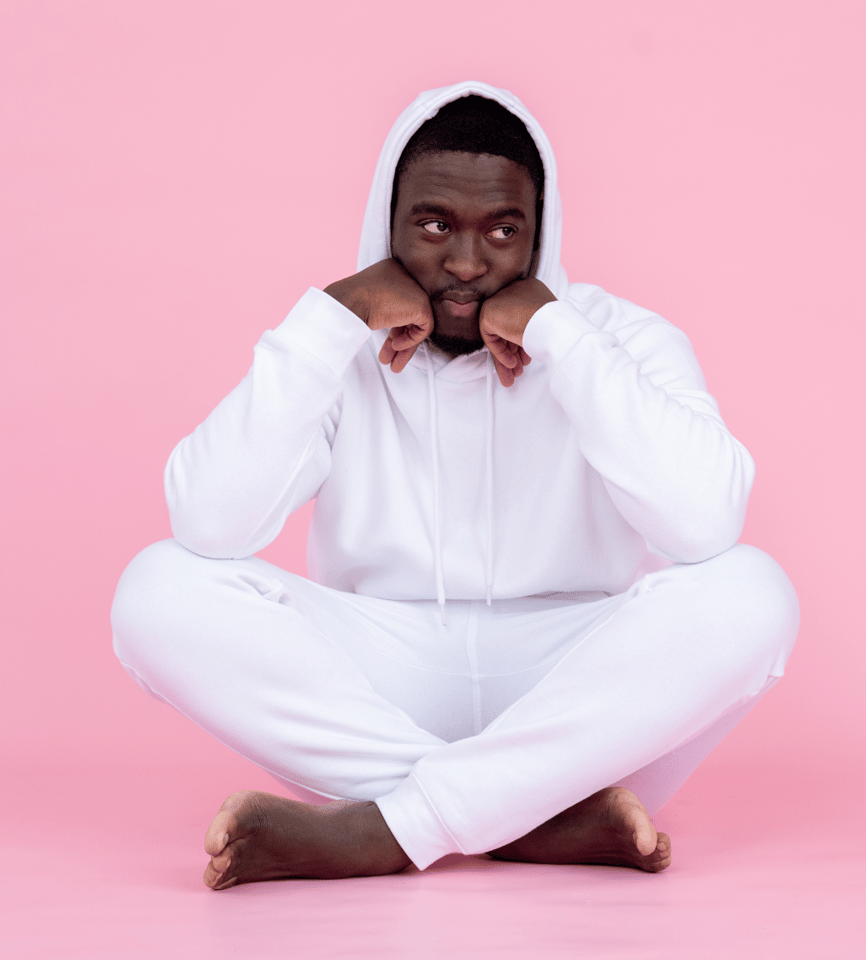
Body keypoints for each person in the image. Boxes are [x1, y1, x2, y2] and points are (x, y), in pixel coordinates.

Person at [111, 82, 799, 890]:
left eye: (504, 231)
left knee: (753, 592)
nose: (467, 264)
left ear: (541, 238)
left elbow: (704, 524)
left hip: (571, 683)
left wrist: (562, 338)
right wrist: (331, 320)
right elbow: (208, 522)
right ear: (387, 224)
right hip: (379, 681)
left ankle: (395, 827)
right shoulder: (341, 343)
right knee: (154, 589)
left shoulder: (618, 338)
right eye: (434, 225)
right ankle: (526, 816)